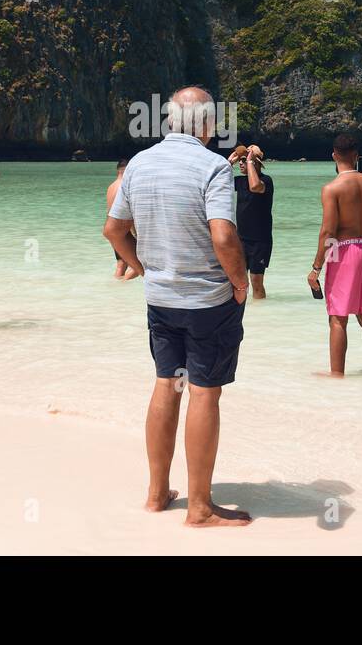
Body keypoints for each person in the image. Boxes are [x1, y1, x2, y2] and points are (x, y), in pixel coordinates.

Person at [103, 86, 251, 528]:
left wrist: (144, 269)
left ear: (169, 121)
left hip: (161, 300)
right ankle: (201, 508)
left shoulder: (139, 165)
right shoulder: (213, 168)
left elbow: (113, 230)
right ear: (207, 124)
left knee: (167, 384)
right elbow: (223, 236)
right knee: (205, 391)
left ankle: (155, 494)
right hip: (208, 301)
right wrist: (240, 283)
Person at [308, 134, 362, 376]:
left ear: (334, 155)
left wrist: (316, 268)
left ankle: (337, 377)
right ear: (356, 156)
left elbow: (328, 232)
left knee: (337, 318)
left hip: (341, 249)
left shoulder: (332, 188)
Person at [229, 143, 274, 298]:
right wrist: (230, 162)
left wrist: (249, 161)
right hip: (240, 240)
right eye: (240, 161)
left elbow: (255, 187)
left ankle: (261, 313)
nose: (241, 163)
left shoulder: (266, 181)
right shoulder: (240, 182)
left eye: (244, 160)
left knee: (256, 282)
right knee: (236, 282)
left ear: (255, 162)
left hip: (260, 242)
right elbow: (216, 179)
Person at [106, 158, 138, 280]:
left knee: (121, 263)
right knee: (138, 266)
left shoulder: (111, 186)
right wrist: (136, 233)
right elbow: (126, 213)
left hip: (113, 230)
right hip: (125, 231)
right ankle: (123, 284)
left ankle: (116, 288)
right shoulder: (124, 186)